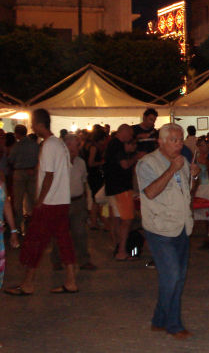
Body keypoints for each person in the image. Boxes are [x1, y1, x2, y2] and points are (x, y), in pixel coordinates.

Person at [5, 109, 78, 296]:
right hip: (61, 200)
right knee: (63, 240)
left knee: (35, 241)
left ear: (38, 124)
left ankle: (28, 283)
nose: (32, 127)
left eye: (33, 123)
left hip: (50, 203)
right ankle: (70, 281)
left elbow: (49, 175)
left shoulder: (48, 145)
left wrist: (40, 200)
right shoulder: (59, 144)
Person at [137, 123, 200, 340]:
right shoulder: (147, 163)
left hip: (181, 225)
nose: (179, 143)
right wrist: (172, 169)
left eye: (180, 139)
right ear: (160, 142)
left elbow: (185, 193)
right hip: (159, 228)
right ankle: (173, 324)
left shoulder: (181, 161)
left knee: (178, 278)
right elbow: (151, 192)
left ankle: (159, 319)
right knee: (172, 276)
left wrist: (195, 176)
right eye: (173, 139)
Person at [51, 134, 96, 271]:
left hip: (77, 201)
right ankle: (57, 260)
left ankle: (83, 260)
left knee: (80, 232)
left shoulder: (80, 162)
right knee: (60, 233)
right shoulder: (57, 163)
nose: (76, 149)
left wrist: (87, 202)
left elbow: (84, 182)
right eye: (74, 146)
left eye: (78, 146)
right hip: (61, 202)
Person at [104, 124, 138, 261]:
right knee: (127, 220)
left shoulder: (112, 144)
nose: (130, 138)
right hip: (121, 188)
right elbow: (124, 164)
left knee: (117, 219)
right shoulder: (117, 145)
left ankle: (118, 247)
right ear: (124, 132)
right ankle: (122, 250)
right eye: (130, 135)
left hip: (112, 187)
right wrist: (136, 157)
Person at [8, 124, 39, 234]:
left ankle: (18, 226)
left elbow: (11, 160)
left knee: (18, 201)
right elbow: (39, 158)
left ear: (17, 133)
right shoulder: (34, 145)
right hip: (32, 172)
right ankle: (36, 223)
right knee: (33, 199)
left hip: (19, 173)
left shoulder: (16, 146)